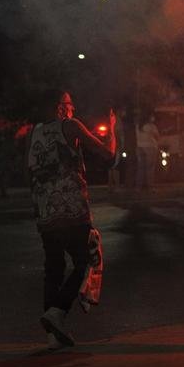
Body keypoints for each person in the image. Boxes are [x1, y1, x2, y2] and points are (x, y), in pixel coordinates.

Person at [26, 91, 115, 350]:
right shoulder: (71, 125)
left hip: (45, 211)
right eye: (69, 104)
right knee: (86, 261)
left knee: (53, 269)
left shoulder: (33, 133)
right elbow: (108, 157)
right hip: (73, 209)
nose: (73, 108)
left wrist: (40, 205)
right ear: (60, 108)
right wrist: (112, 130)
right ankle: (58, 312)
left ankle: (52, 336)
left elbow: (27, 171)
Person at [135, 113, 160, 191]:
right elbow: (157, 136)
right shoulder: (151, 126)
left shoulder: (138, 126)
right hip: (150, 147)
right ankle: (150, 186)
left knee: (141, 168)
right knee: (150, 168)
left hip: (140, 147)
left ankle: (139, 186)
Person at [107, 108, 125, 192]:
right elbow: (117, 134)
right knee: (116, 166)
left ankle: (110, 186)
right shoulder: (117, 120)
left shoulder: (110, 119)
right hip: (115, 146)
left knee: (111, 167)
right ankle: (116, 186)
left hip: (110, 145)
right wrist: (120, 145)